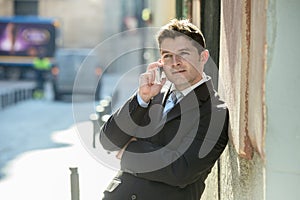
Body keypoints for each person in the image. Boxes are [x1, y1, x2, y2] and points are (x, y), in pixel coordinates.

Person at [99, 19, 229, 200]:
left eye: (183, 53)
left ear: (203, 57)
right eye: (167, 55)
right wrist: (141, 98)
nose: (175, 62)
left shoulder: (215, 111)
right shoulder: (154, 94)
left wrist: (130, 150)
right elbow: (108, 140)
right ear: (161, 61)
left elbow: (181, 170)